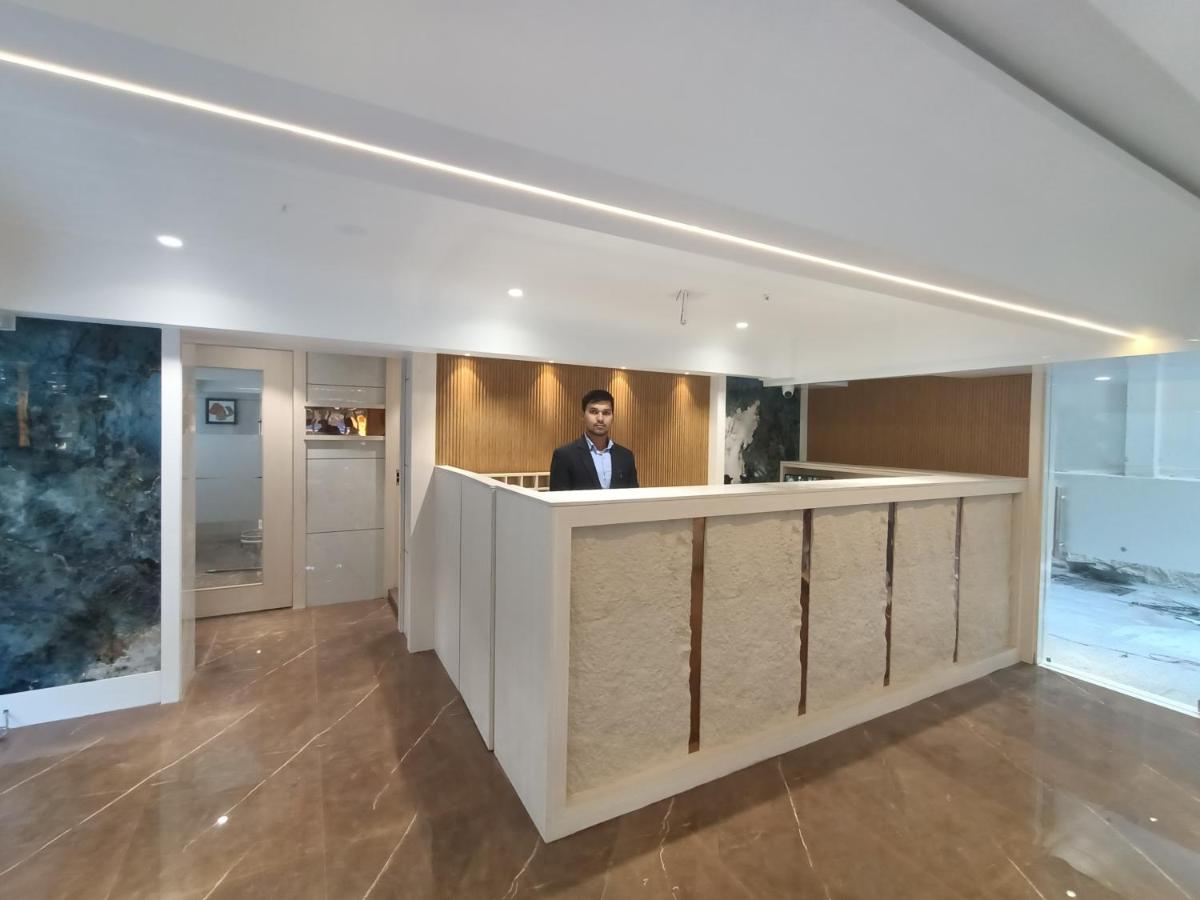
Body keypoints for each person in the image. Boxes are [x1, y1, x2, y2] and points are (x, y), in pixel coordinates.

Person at [549, 389, 639, 490]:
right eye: (593, 412)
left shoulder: (626, 456)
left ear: (612, 417)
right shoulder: (564, 456)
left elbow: (634, 497)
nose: (600, 418)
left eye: (606, 413)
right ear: (583, 416)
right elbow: (558, 498)